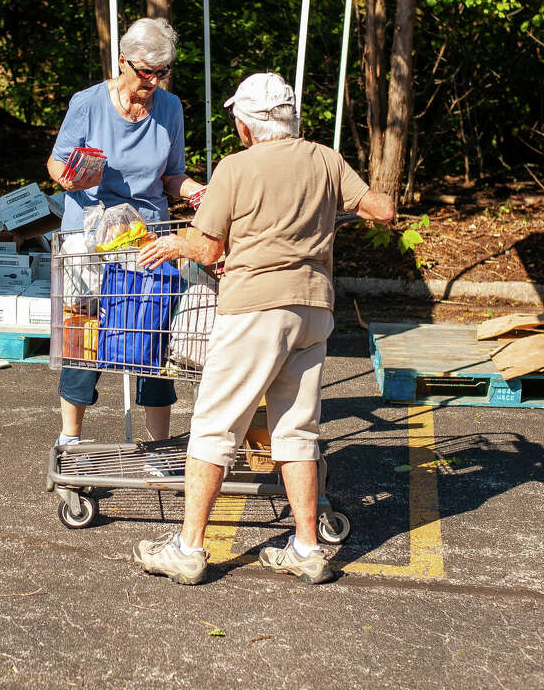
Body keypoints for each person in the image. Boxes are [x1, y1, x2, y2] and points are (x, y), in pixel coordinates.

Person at [130, 72, 395, 585]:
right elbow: (381, 210)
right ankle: (306, 547)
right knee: (296, 430)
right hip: (314, 308)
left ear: (248, 126)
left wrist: (176, 243)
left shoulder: (235, 168)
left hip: (255, 308)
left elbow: (208, 249)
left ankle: (188, 549)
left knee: (214, 426)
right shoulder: (324, 158)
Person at [47, 18, 205, 448]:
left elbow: (172, 176)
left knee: (152, 338)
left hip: (146, 237)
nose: (152, 82)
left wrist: (197, 193)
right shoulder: (88, 103)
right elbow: (57, 164)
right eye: (145, 72)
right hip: (90, 234)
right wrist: (72, 179)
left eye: (161, 73)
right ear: (122, 61)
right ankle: (71, 438)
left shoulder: (170, 109)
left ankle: (158, 448)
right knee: (85, 335)